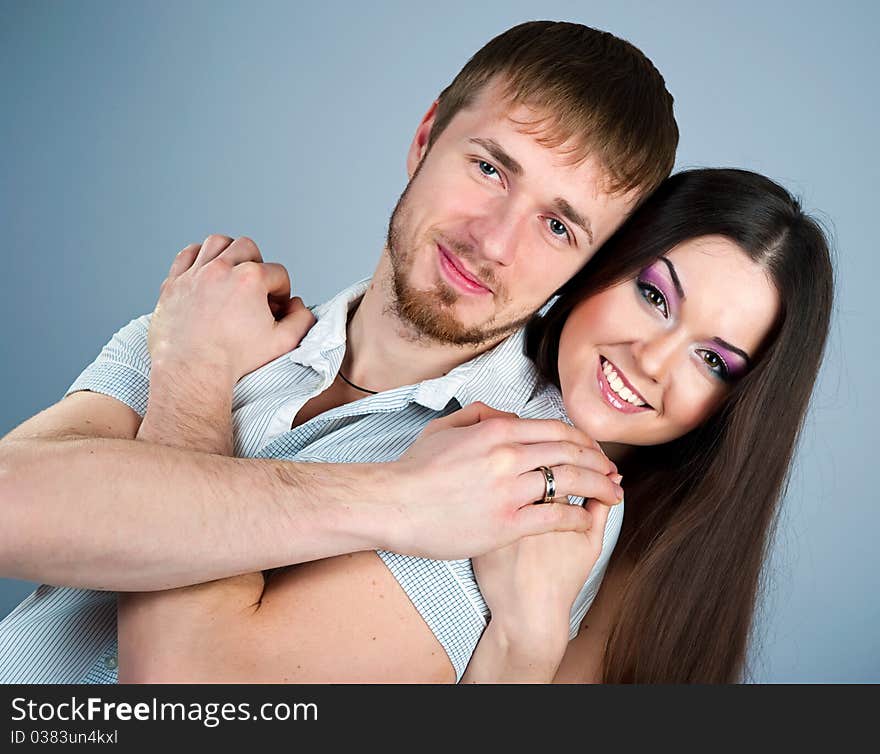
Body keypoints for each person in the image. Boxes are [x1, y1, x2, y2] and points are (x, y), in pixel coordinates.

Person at [0, 21, 678, 683]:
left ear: (587, 268)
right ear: (425, 138)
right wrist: (397, 499)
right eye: (489, 168)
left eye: (558, 226)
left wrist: (188, 379)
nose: (493, 241)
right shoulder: (203, 325)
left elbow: (189, 687)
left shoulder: (532, 478)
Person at [459, 168, 834, 683]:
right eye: (655, 298)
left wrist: (530, 637)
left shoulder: (651, 593)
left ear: (736, 406)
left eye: (712, 360)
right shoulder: (457, 345)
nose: (653, 361)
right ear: (609, 258)